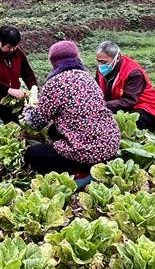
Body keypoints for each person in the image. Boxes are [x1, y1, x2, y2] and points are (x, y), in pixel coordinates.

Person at [22, 41, 121, 175]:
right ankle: (92, 164)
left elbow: (36, 123)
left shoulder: (54, 84)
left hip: (88, 152)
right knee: (53, 131)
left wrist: (28, 109)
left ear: (54, 62)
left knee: (32, 154)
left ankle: (77, 171)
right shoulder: (88, 79)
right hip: (110, 143)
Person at [95, 40, 155, 132]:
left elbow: (128, 101)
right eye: (98, 61)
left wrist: (102, 106)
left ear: (117, 58)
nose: (100, 65)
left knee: (123, 125)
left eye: (103, 62)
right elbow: (96, 90)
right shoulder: (102, 69)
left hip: (148, 111)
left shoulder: (133, 72)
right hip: (122, 108)